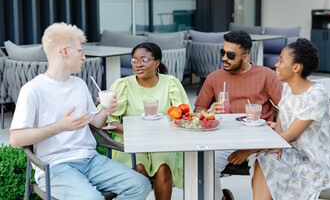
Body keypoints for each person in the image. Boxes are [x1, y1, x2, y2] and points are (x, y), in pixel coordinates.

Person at [9, 23, 151, 200]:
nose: (84, 57)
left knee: (140, 185)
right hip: (54, 166)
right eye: (80, 51)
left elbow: (96, 123)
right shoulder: (32, 90)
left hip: (91, 161)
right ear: (64, 52)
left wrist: (105, 111)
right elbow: (15, 139)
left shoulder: (79, 84)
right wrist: (60, 127)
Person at [229, 38, 330, 199]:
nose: (276, 64)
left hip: (320, 165)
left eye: (281, 60)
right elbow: (280, 129)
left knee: (263, 158)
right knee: (265, 159)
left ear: (296, 67)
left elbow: (290, 135)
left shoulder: (316, 94)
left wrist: (249, 151)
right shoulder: (287, 89)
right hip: (296, 154)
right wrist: (275, 144)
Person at [194, 30, 283, 200]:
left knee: (267, 165)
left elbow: (288, 109)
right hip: (225, 140)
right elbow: (198, 112)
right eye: (223, 53)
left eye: (231, 55)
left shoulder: (267, 76)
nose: (224, 58)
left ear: (245, 56)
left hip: (259, 142)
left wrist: (250, 149)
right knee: (203, 166)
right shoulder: (214, 78)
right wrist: (210, 111)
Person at [100, 42, 190, 200]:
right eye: (134, 60)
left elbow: (183, 116)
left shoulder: (170, 83)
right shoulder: (124, 85)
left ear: (156, 63)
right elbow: (107, 121)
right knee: (138, 168)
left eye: (143, 60)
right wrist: (134, 131)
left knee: (163, 167)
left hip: (163, 141)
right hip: (130, 141)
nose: (138, 65)